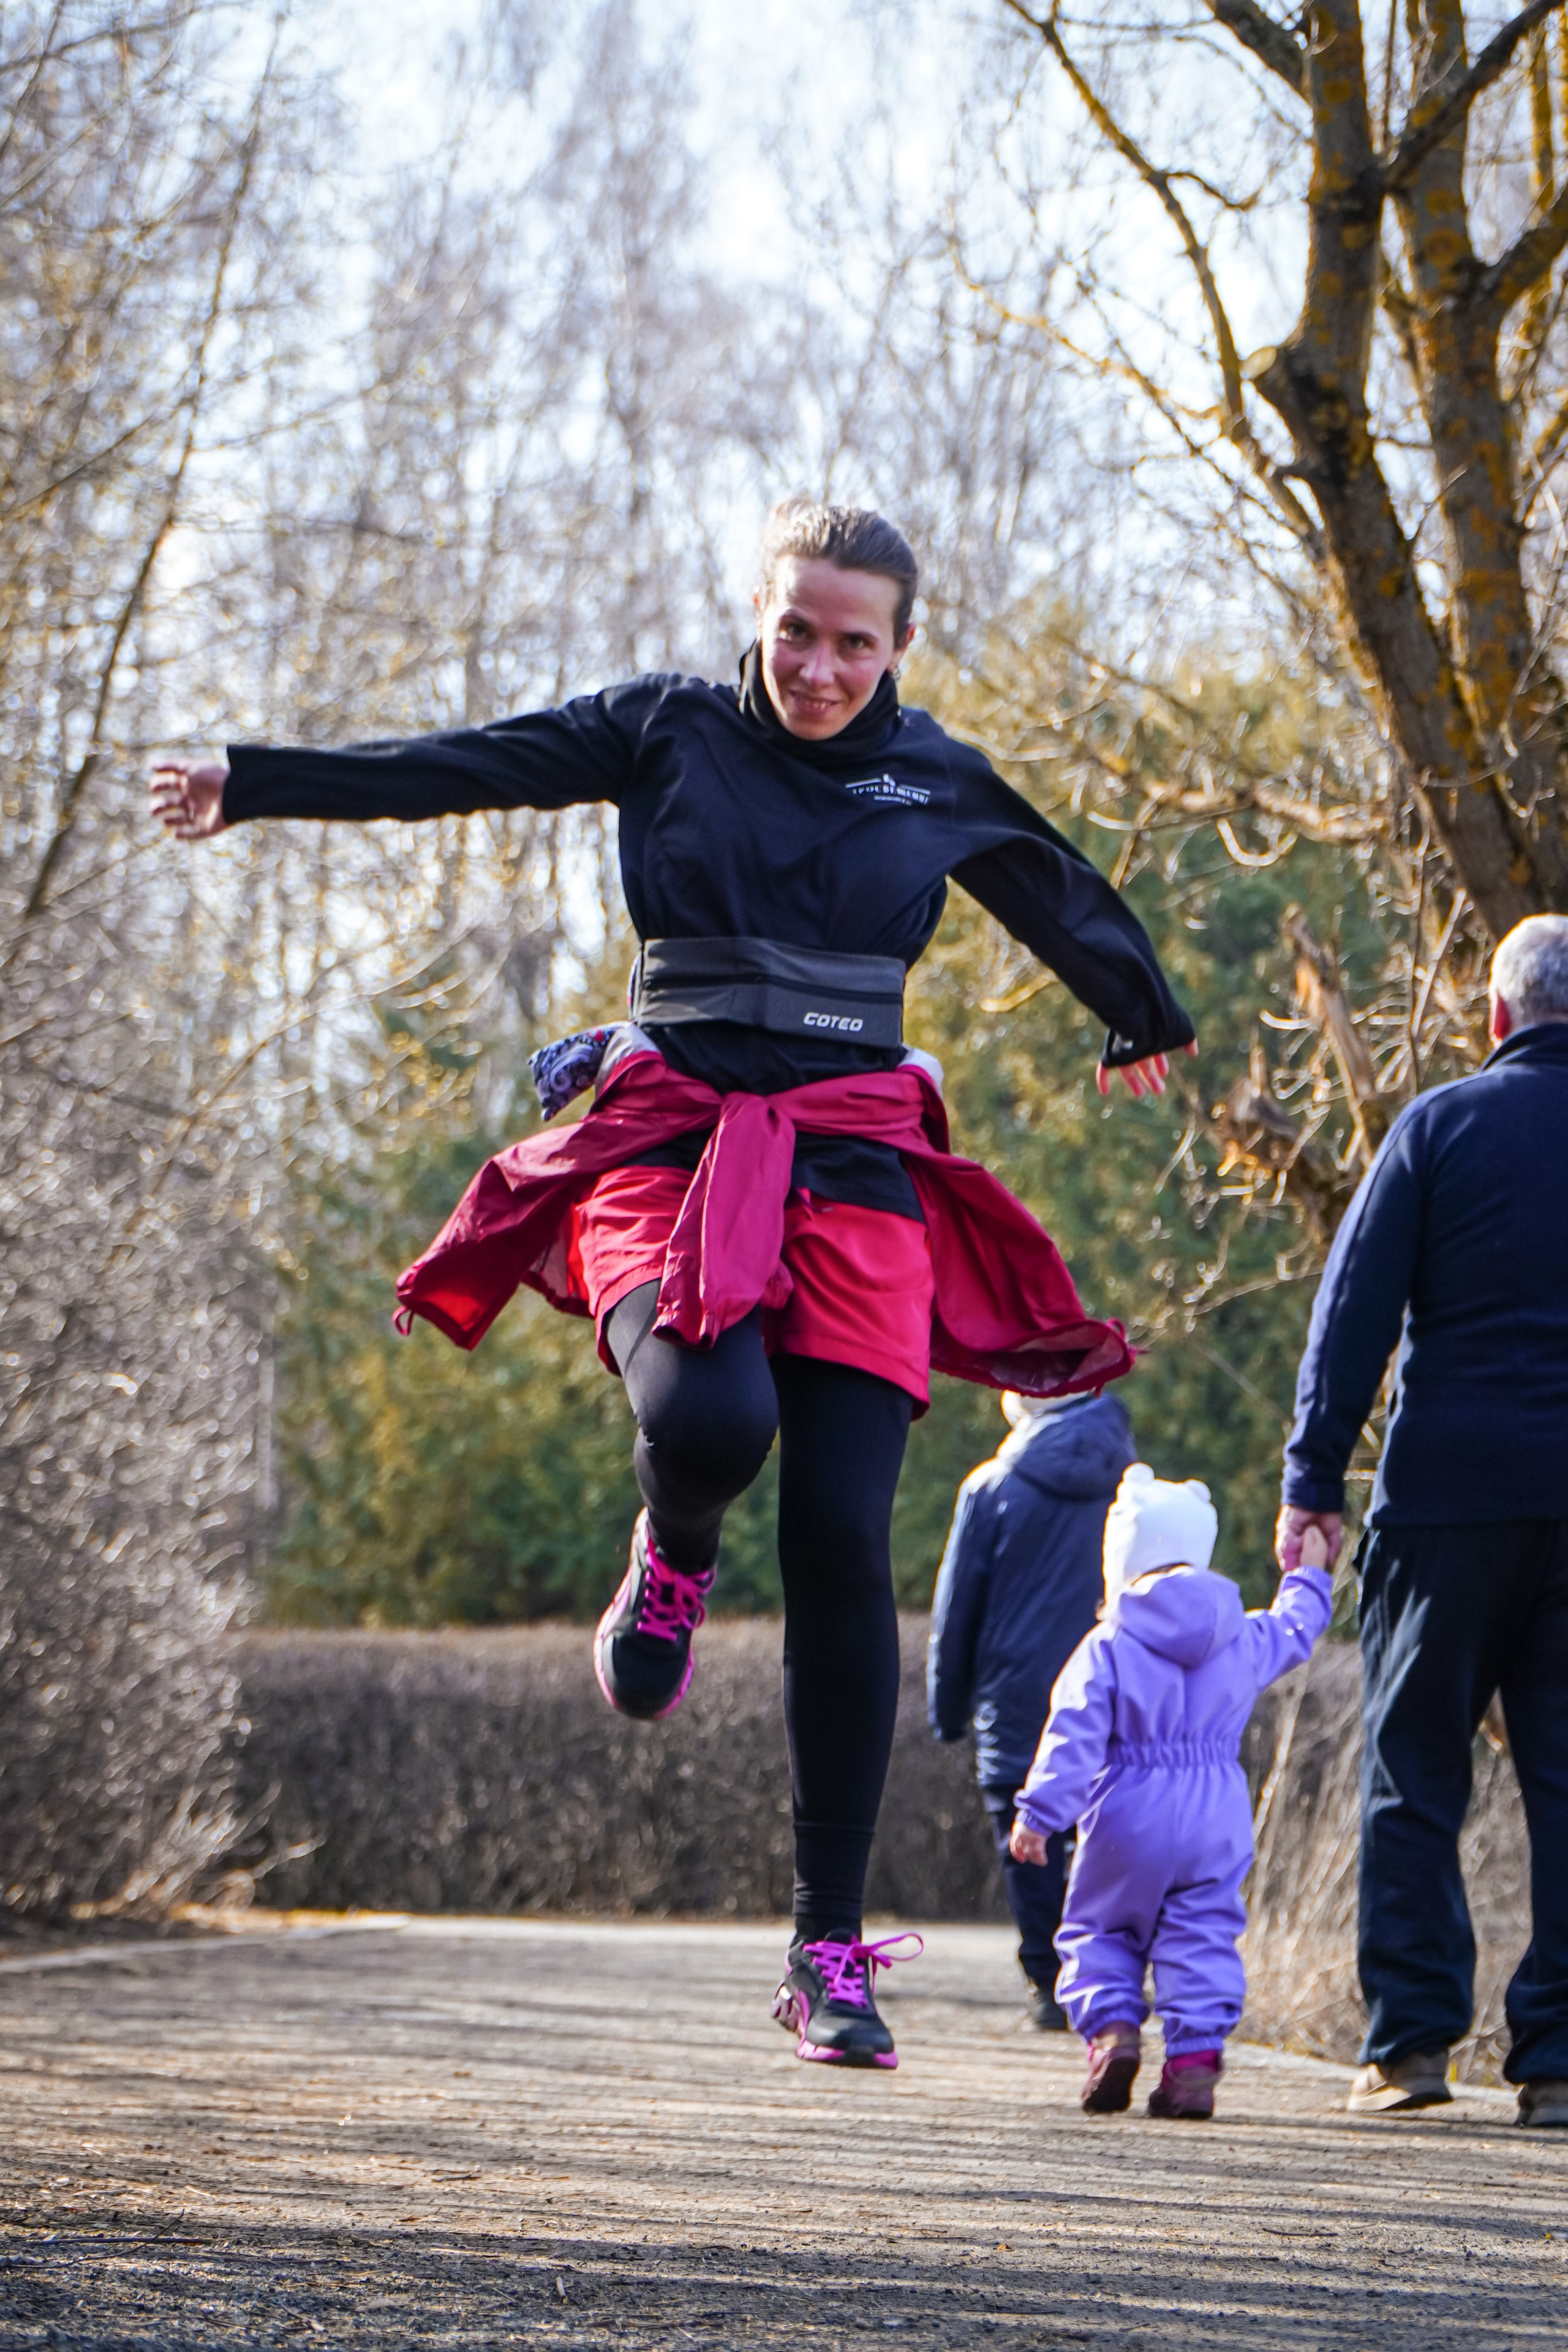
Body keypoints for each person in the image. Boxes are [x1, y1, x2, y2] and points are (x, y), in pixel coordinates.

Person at [151, 497, 1196, 2072]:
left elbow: (1047, 881)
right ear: (757, 614)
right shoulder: (670, 731)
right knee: (707, 1414)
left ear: (900, 644)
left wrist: (1138, 1008)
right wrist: (260, 781)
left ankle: (825, 1953)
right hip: (670, 1141)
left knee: (845, 1539)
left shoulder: (934, 777)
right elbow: (469, 761)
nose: (821, 666)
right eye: (796, 629)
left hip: (850, 1164)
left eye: (855, 639)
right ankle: (674, 1547)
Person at [1278, 913, 1568, 2128]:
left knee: (1412, 1767)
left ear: (1494, 1017)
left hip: (1443, 1500)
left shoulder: (1437, 1126)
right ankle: (1554, 2061)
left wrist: (1309, 1483)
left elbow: (1353, 1315)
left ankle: (1408, 2047)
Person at [1011, 1467, 1332, 2119]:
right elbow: (1297, 1628)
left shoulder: (1107, 1644)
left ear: (1120, 1560)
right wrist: (1309, 1570)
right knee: (1203, 1931)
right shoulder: (1240, 1634)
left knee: (1100, 1926)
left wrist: (1038, 1815)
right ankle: (1191, 2063)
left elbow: (1072, 1734)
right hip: (1215, 1811)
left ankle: (1112, 2033)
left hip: (1128, 1807)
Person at [927, 1386, 1135, 2028]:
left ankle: (1049, 1983)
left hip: (1013, 1697)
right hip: (1113, 1691)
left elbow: (958, 1606)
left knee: (1025, 1836)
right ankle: (1109, 1978)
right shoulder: (1136, 1491)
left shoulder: (990, 1488)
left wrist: (948, 1707)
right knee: (1105, 1833)